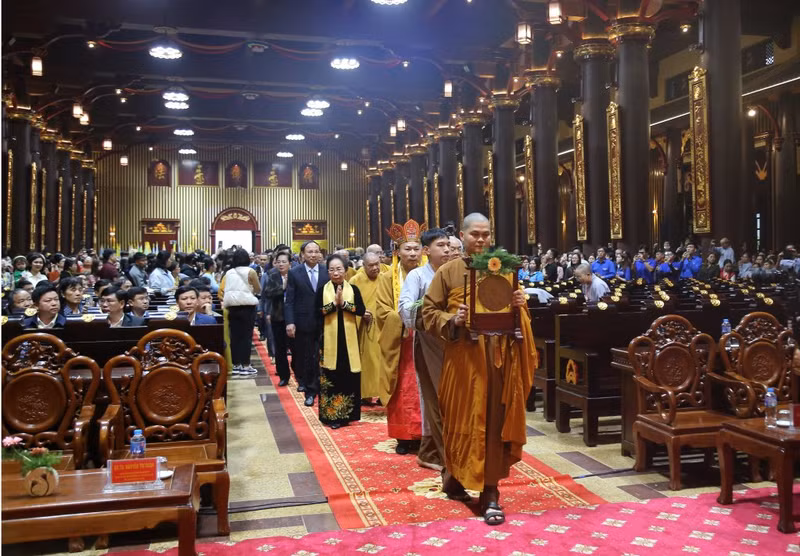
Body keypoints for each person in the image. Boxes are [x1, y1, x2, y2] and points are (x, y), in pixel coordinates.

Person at [421, 213, 536, 526]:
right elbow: (427, 313)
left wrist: (519, 305)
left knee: (494, 424)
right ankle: (456, 475)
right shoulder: (449, 271)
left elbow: (516, 319)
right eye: (475, 234)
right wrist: (452, 320)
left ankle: (490, 492)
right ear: (463, 234)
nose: (482, 240)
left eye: (486, 234)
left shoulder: (504, 269)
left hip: (497, 361)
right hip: (463, 362)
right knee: (461, 421)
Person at [398, 228, 451, 472]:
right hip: (429, 343)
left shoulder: (455, 273)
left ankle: (450, 448)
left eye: (449, 245)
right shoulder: (418, 276)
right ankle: (435, 451)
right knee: (434, 396)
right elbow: (405, 308)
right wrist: (431, 313)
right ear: (427, 251)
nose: (447, 250)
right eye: (441, 245)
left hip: (454, 344)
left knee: (453, 397)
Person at [376, 219, 424, 455]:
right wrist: (403, 321)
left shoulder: (430, 274)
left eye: (416, 248)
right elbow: (382, 311)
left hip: (426, 339)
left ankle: (427, 433)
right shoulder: (387, 278)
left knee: (425, 387)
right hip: (401, 343)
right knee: (402, 388)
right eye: (407, 248)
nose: (412, 253)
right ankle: (403, 436)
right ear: (397, 251)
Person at [316, 254, 367, 429]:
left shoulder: (353, 289)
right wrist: (333, 305)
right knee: (331, 375)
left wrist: (343, 304)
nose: (335, 273)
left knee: (348, 375)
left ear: (346, 270)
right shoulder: (322, 289)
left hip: (348, 340)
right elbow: (317, 312)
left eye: (339, 269)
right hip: (328, 341)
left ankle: (347, 415)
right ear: (327, 271)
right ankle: (332, 416)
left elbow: (361, 310)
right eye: (331, 269)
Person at [285, 240, 329, 406]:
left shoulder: (327, 271)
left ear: (320, 253)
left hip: (325, 321)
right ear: (302, 254)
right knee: (308, 357)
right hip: (303, 322)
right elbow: (289, 300)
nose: (313, 254)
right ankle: (310, 390)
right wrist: (290, 322)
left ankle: (324, 389)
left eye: (316, 251)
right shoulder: (295, 273)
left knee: (325, 357)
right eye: (309, 252)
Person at [220, 249, 261, 375]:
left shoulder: (229, 272)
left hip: (232, 307)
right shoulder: (251, 271)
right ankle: (246, 365)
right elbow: (258, 288)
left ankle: (236, 364)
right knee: (246, 337)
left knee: (235, 336)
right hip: (247, 307)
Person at [349, 252, 382, 402]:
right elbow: (349, 303)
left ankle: (383, 394)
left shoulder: (385, 278)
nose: (375, 268)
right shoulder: (355, 280)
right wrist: (361, 313)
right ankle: (366, 394)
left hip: (383, 326)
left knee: (382, 361)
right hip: (365, 327)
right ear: (363, 266)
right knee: (368, 361)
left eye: (377, 264)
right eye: (371, 265)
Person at [262, 251, 292, 386]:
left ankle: (300, 375)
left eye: (284, 261)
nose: (281, 264)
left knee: (296, 348)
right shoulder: (272, 275)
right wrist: (282, 287)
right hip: (278, 316)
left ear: (289, 263)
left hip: (294, 317)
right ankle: (283, 375)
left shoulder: (295, 275)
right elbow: (268, 292)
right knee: (280, 349)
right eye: (278, 261)